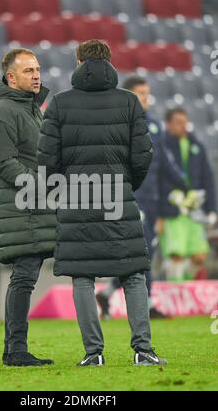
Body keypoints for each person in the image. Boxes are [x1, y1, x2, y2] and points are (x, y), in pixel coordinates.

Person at [38, 40, 167, 366]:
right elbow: (142, 156)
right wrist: (126, 185)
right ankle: (143, 350)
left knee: (82, 276)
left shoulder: (59, 104)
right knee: (134, 273)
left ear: (79, 61)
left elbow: (46, 159)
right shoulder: (129, 102)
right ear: (109, 61)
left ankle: (93, 354)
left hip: (76, 197)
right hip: (118, 195)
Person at [0, 48, 56, 367]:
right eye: (28, 71)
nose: (36, 75)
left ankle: (15, 348)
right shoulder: (2, 112)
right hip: (20, 207)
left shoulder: (29, 109)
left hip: (33, 205)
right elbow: (3, 164)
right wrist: (42, 184)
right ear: (10, 77)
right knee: (24, 276)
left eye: (37, 69)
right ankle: (14, 350)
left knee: (26, 275)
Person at [96, 76, 168, 319]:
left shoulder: (155, 124)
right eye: (140, 94)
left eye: (148, 93)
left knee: (143, 252)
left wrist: (183, 188)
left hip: (152, 198)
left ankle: (107, 292)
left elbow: (165, 165)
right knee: (143, 250)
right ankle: (146, 305)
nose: (146, 98)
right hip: (130, 196)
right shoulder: (119, 124)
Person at [156, 107, 217, 281]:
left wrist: (211, 209)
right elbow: (157, 180)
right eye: (178, 122)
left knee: (199, 256)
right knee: (176, 255)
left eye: (185, 122)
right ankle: (175, 294)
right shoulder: (161, 146)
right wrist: (158, 214)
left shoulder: (196, 145)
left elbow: (207, 178)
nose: (183, 126)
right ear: (168, 124)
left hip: (194, 210)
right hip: (171, 211)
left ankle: (183, 285)